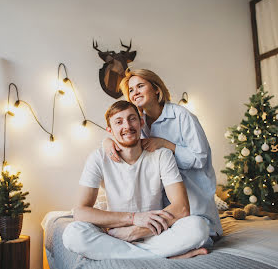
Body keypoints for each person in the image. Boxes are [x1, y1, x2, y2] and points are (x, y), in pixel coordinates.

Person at [62, 101, 210, 260]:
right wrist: (133, 218)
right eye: (119, 122)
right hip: (116, 235)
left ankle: (129, 255)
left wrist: (137, 230)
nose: (127, 126)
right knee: (73, 234)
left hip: (154, 233)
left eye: (132, 119)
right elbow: (80, 212)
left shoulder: (162, 155)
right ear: (110, 130)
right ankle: (163, 257)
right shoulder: (98, 158)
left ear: (141, 122)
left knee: (198, 228)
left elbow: (181, 208)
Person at [104, 69, 223, 246]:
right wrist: (107, 141)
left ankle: (140, 234)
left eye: (140, 86)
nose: (135, 92)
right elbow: (125, 140)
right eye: (131, 90)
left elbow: (200, 159)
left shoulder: (182, 116)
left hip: (194, 204)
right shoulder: (138, 121)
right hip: (163, 208)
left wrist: (166, 144)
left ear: (156, 89)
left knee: (198, 231)